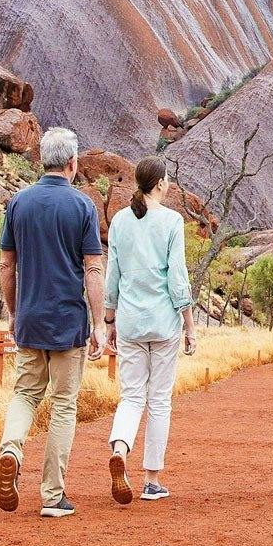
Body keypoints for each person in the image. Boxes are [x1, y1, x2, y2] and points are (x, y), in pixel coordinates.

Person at [0, 126, 105, 519]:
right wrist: (100, 323)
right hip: (67, 322)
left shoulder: (18, 204)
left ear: (43, 160)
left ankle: (11, 447)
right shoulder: (82, 207)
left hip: (29, 318)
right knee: (63, 404)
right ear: (73, 163)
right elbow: (93, 268)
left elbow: (7, 264)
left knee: (25, 394)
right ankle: (51, 495)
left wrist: (13, 312)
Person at [102, 155, 195, 505]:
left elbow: (113, 277)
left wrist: (108, 321)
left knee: (131, 396)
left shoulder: (121, 222)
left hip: (129, 322)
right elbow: (177, 277)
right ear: (159, 184)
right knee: (159, 401)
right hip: (164, 322)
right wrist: (189, 325)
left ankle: (120, 450)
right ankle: (151, 480)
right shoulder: (172, 221)